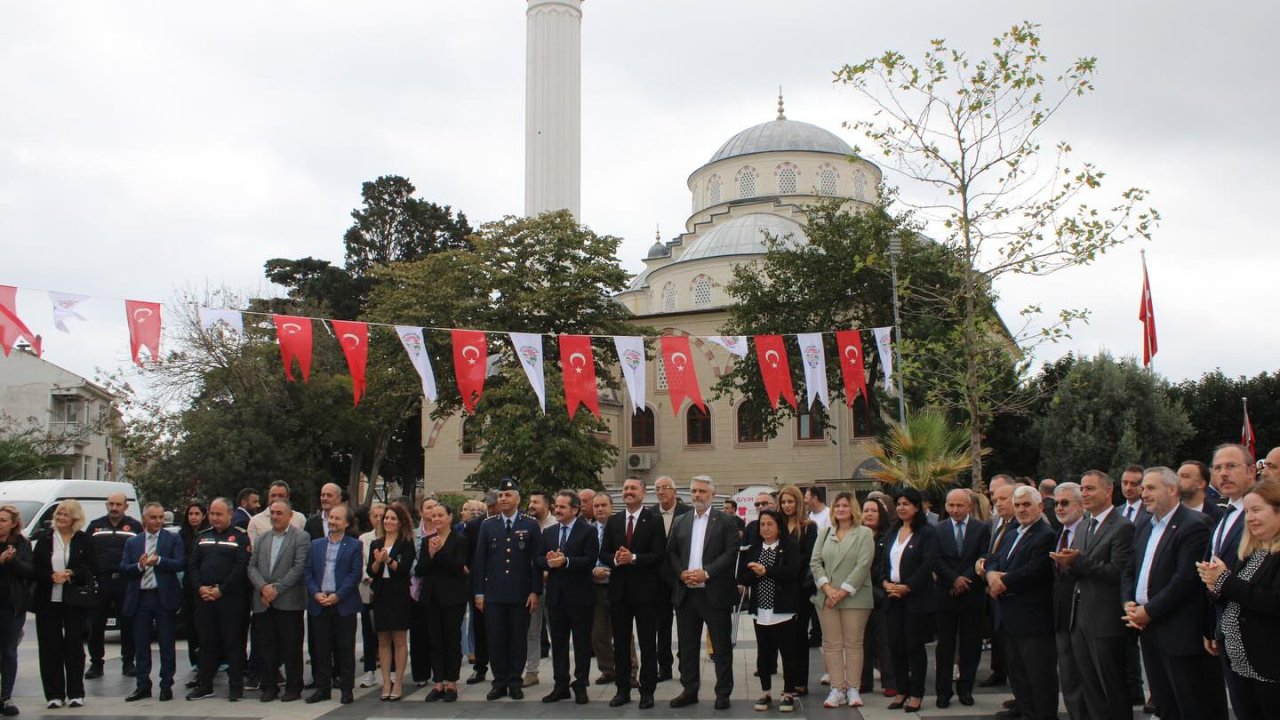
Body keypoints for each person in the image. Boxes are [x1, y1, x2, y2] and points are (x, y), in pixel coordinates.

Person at [1123, 467, 1224, 720]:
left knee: (1192, 704)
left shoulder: (1194, 525)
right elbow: (1130, 569)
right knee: (1164, 704)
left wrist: (1148, 611)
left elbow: (1185, 580)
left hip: (1179, 631)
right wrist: (1128, 603)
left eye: (1150, 488)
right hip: (1148, 628)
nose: (1143, 493)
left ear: (1171, 489)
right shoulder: (1145, 524)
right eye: (1143, 488)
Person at [1197, 478, 1280, 718]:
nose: (1250, 517)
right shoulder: (1253, 550)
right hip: (1240, 664)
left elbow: (1273, 602)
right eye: (1247, 511)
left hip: (1269, 668)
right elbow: (1238, 595)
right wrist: (1215, 583)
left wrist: (1225, 581)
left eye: (1257, 510)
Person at [1058, 470, 1134, 720]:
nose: (1085, 493)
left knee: (1111, 687)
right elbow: (1079, 570)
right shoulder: (1084, 526)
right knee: (1089, 686)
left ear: (1108, 490)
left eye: (1090, 488)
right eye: (1082, 488)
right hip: (1079, 619)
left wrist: (1078, 562)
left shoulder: (1122, 527)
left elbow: (1117, 572)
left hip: (1105, 621)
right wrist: (1064, 564)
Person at [666, 474, 740, 711]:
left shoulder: (726, 521)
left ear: (713, 494)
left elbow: (731, 552)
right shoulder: (681, 520)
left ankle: (723, 692)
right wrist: (682, 574)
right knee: (687, 647)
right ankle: (689, 690)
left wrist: (706, 573)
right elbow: (671, 553)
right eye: (694, 491)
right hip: (687, 594)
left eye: (702, 491)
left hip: (714, 593)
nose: (697, 495)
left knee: (721, 646)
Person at [986, 485, 1057, 720]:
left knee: (1038, 674)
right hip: (1009, 616)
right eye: (1017, 505)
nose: (1021, 509)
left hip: (1033, 618)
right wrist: (991, 574)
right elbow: (995, 559)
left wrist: (1001, 582)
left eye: (1027, 505)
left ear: (1039, 506)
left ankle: (1044, 715)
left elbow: (1035, 569)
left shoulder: (1045, 535)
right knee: (1018, 672)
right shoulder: (1014, 531)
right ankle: (1026, 712)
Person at [472, 478, 544, 702]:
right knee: (496, 638)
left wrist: (535, 591)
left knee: (517, 638)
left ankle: (515, 681)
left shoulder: (530, 524)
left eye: (508, 495)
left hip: (520, 594)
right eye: (501, 495)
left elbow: (536, 562)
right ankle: (499, 682)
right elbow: (480, 562)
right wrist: (479, 593)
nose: (504, 499)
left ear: (518, 499)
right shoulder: (488, 525)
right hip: (493, 594)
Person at [600, 477, 665, 708]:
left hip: (646, 594)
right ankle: (622, 689)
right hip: (619, 593)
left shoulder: (654, 520)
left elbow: (659, 555)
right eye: (626, 488)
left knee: (648, 644)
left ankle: (647, 692)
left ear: (643, 492)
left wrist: (634, 558)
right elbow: (604, 552)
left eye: (633, 488)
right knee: (621, 644)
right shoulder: (614, 520)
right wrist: (616, 559)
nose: (628, 491)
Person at [808, 491, 874, 709]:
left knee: (854, 643)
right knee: (832, 644)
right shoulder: (825, 532)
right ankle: (837, 688)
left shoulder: (864, 533)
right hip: (827, 598)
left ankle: (853, 687)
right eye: (837, 506)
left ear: (852, 508)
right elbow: (815, 562)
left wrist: (842, 592)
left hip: (854, 597)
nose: (841, 509)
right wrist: (827, 588)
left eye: (845, 505)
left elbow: (863, 565)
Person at [1205, 443, 1257, 716]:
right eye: (1218, 468)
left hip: (1258, 635)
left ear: (1251, 471)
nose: (1223, 473)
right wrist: (1212, 628)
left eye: (1231, 467)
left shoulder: (1261, 515)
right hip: (1226, 631)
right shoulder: (1223, 516)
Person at [878, 488, 939, 713]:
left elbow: (928, 564)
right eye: (899, 503)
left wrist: (908, 586)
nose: (902, 507)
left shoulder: (927, 533)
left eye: (907, 503)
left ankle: (916, 693)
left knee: (913, 647)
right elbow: (883, 562)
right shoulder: (892, 531)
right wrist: (885, 583)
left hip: (915, 599)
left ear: (917, 506)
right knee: (895, 646)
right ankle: (901, 690)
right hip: (892, 598)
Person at [535, 490, 599, 704]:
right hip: (555, 598)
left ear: (575, 509)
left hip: (580, 597)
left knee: (581, 644)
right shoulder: (549, 532)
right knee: (559, 644)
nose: (557, 510)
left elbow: (590, 559)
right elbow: (538, 559)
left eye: (563, 507)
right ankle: (560, 685)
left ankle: (580, 685)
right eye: (556, 506)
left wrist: (566, 561)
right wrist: (549, 562)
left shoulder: (588, 531)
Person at [185, 497, 251, 702]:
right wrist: (200, 588)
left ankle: (235, 687)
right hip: (205, 599)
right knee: (206, 644)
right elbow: (193, 566)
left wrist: (221, 590)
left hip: (230, 600)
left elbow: (241, 568)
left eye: (219, 514)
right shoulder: (202, 537)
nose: (215, 518)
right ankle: (205, 685)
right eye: (212, 514)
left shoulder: (240, 537)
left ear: (230, 515)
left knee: (233, 644)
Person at [33, 500, 96, 709]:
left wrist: (71, 573)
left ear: (75, 518)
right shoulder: (45, 539)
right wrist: (50, 576)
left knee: (74, 648)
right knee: (50, 648)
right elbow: (34, 569)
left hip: (73, 601)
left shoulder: (84, 540)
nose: (60, 518)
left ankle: (76, 693)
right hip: (48, 601)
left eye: (65, 515)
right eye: (58, 514)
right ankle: (54, 694)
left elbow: (92, 567)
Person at [739, 509, 803, 713]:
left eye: (770, 524)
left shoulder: (788, 546)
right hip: (761, 610)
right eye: (762, 524)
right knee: (763, 653)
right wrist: (755, 573)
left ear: (778, 527)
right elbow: (742, 577)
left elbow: (792, 572)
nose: (765, 528)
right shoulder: (754, 548)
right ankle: (765, 692)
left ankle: (788, 692)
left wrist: (767, 570)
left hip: (782, 610)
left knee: (788, 653)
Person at [245, 500, 309, 703]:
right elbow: (251, 566)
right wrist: (263, 587)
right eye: (272, 513)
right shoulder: (263, 539)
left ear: (289, 516)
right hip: (264, 601)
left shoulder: (301, 537)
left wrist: (276, 588)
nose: (275, 516)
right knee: (266, 646)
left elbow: (298, 568)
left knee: (291, 646)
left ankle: (293, 687)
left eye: (279, 513)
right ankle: (269, 686)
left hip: (289, 601)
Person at [121, 502, 185, 702]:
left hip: (163, 596)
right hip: (141, 597)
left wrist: (159, 561)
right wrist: (139, 566)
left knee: (166, 643)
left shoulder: (172, 539)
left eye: (160, 518)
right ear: (144, 520)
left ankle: (166, 684)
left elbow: (180, 563)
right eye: (153, 518)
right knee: (141, 644)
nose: (157, 521)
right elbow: (124, 567)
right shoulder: (133, 542)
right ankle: (142, 685)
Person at [934, 487, 989, 708]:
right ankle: (943, 691)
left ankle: (965, 689)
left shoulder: (981, 529)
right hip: (945, 594)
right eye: (951, 505)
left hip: (971, 594)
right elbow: (935, 558)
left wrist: (965, 579)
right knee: (944, 646)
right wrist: (953, 579)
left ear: (969, 507)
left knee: (970, 645)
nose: (955, 510)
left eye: (959, 506)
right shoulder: (937, 529)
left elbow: (983, 557)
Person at [304, 504, 361, 705]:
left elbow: (355, 574)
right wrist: (316, 593)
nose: (333, 521)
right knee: (321, 648)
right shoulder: (316, 544)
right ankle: (323, 688)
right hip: (319, 602)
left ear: (346, 523)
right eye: (331, 518)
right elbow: (308, 572)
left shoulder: (354, 545)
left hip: (343, 604)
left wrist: (338, 595)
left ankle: (346, 689)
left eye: (337, 518)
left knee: (345, 648)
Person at [85, 492, 141, 680]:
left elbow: (141, 551)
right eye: (111, 504)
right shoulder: (96, 526)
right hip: (102, 581)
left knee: (127, 623)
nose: (114, 508)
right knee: (96, 624)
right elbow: (86, 551)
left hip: (125, 580)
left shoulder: (134, 526)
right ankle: (96, 664)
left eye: (118, 504)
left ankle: (128, 662)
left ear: (125, 506)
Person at [417, 503, 469, 702]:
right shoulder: (427, 540)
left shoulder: (460, 540)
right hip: (431, 597)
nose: (436, 519)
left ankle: (451, 683)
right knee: (435, 640)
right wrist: (430, 554)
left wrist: (440, 552)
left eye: (440, 515)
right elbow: (421, 569)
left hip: (453, 597)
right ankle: (438, 682)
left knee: (451, 640)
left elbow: (458, 567)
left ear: (449, 517)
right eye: (433, 515)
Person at [589, 493, 639, 688]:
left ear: (611, 507)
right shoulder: (588, 530)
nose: (600, 509)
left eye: (603, 505)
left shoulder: (621, 527)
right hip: (595, 586)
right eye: (596, 506)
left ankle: (631, 672)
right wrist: (594, 570)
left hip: (617, 584)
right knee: (598, 633)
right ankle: (608, 669)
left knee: (623, 632)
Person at [367, 502, 415, 701]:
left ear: (401, 521)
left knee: (399, 639)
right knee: (383, 640)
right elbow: (371, 571)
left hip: (399, 594)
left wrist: (389, 561)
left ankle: (398, 683)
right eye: (386, 518)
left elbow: (405, 569)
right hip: (381, 594)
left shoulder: (406, 542)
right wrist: (378, 561)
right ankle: (386, 681)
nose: (388, 521)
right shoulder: (376, 543)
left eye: (392, 518)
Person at [1047, 483, 1086, 720]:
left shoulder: (1088, 531)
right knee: (1069, 677)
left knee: (1087, 678)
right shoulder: (1058, 533)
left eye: (1065, 503)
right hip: (1062, 616)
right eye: (1056, 504)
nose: (1059, 508)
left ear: (1081, 506)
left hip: (1085, 617)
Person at [777, 484, 816, 696]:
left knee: (800, 636)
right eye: (783, 502)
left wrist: (789, 563)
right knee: (785, 637)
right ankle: (789, 681)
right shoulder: (778, 526)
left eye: (790, 501)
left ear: (798, 502)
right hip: (781, 588)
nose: (787, 505)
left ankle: (801, 681)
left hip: (801, 589)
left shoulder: (809, 527)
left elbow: (810, 557)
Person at [650, 476, 689, 682]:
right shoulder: (650, 514)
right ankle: (664, 667)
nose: (661, 491)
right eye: (657, 488)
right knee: (661, 625)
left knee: (684, 623)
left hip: (681, 576)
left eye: (665, 488)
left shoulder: (688, 513)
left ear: (675, 492)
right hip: (657, 578)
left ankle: (686, 667)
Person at [858, 496, 896, 698]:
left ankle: (890, 682)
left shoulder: (889, 536)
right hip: (859, 594)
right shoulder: (858, 536)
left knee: (884, 640)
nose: (869, 514)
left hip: (881, 594)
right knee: (863, 641)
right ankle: (864, 681)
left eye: (874, 510)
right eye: (866, 510)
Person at [0, 506, 33, 716]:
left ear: (13, 523)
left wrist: (12, 561)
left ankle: (6, 697)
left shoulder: (22, 544)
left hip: (12, 605)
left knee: (9, 651)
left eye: (3, 520)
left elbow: (28, 571)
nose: (0, 523)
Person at [462, 490, 497, 686]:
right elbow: (467, 557)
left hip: (501, 583)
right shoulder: (475, 525)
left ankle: (503, 669)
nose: (492, 509)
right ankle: (480, 668)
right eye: (490, 506)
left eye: (495, 506)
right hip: (479, 584)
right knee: (480, 627)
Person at [522, 490, 555, 688]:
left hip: (553, 586)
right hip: (532, 587)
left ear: (547, 505)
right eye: (530, 502)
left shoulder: (557, 526)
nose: (531, 505)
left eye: (535, 502)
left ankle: (562, 672)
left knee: (557, 630)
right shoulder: (526, 526)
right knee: (531, 630)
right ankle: (531, 671)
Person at [356, 502, 386, 689]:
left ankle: (389, 671)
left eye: (382, 516)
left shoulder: (395, 538)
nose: (379, 519)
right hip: (368, 590)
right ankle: (369, 671)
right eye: (375, 516)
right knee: (369, 632)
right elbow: (361, 565)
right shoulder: (363, 539)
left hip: (388, 592)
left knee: (388, 633)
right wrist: (370, 579)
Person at [179, 502, 209, 673]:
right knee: (191, 624)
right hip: (189, 586)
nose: (193, 517)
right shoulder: (182, 535)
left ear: (204, 515)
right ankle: (195, 660)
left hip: (205, 585)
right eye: (190, 514)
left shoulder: (208, 534)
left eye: (197, 513)